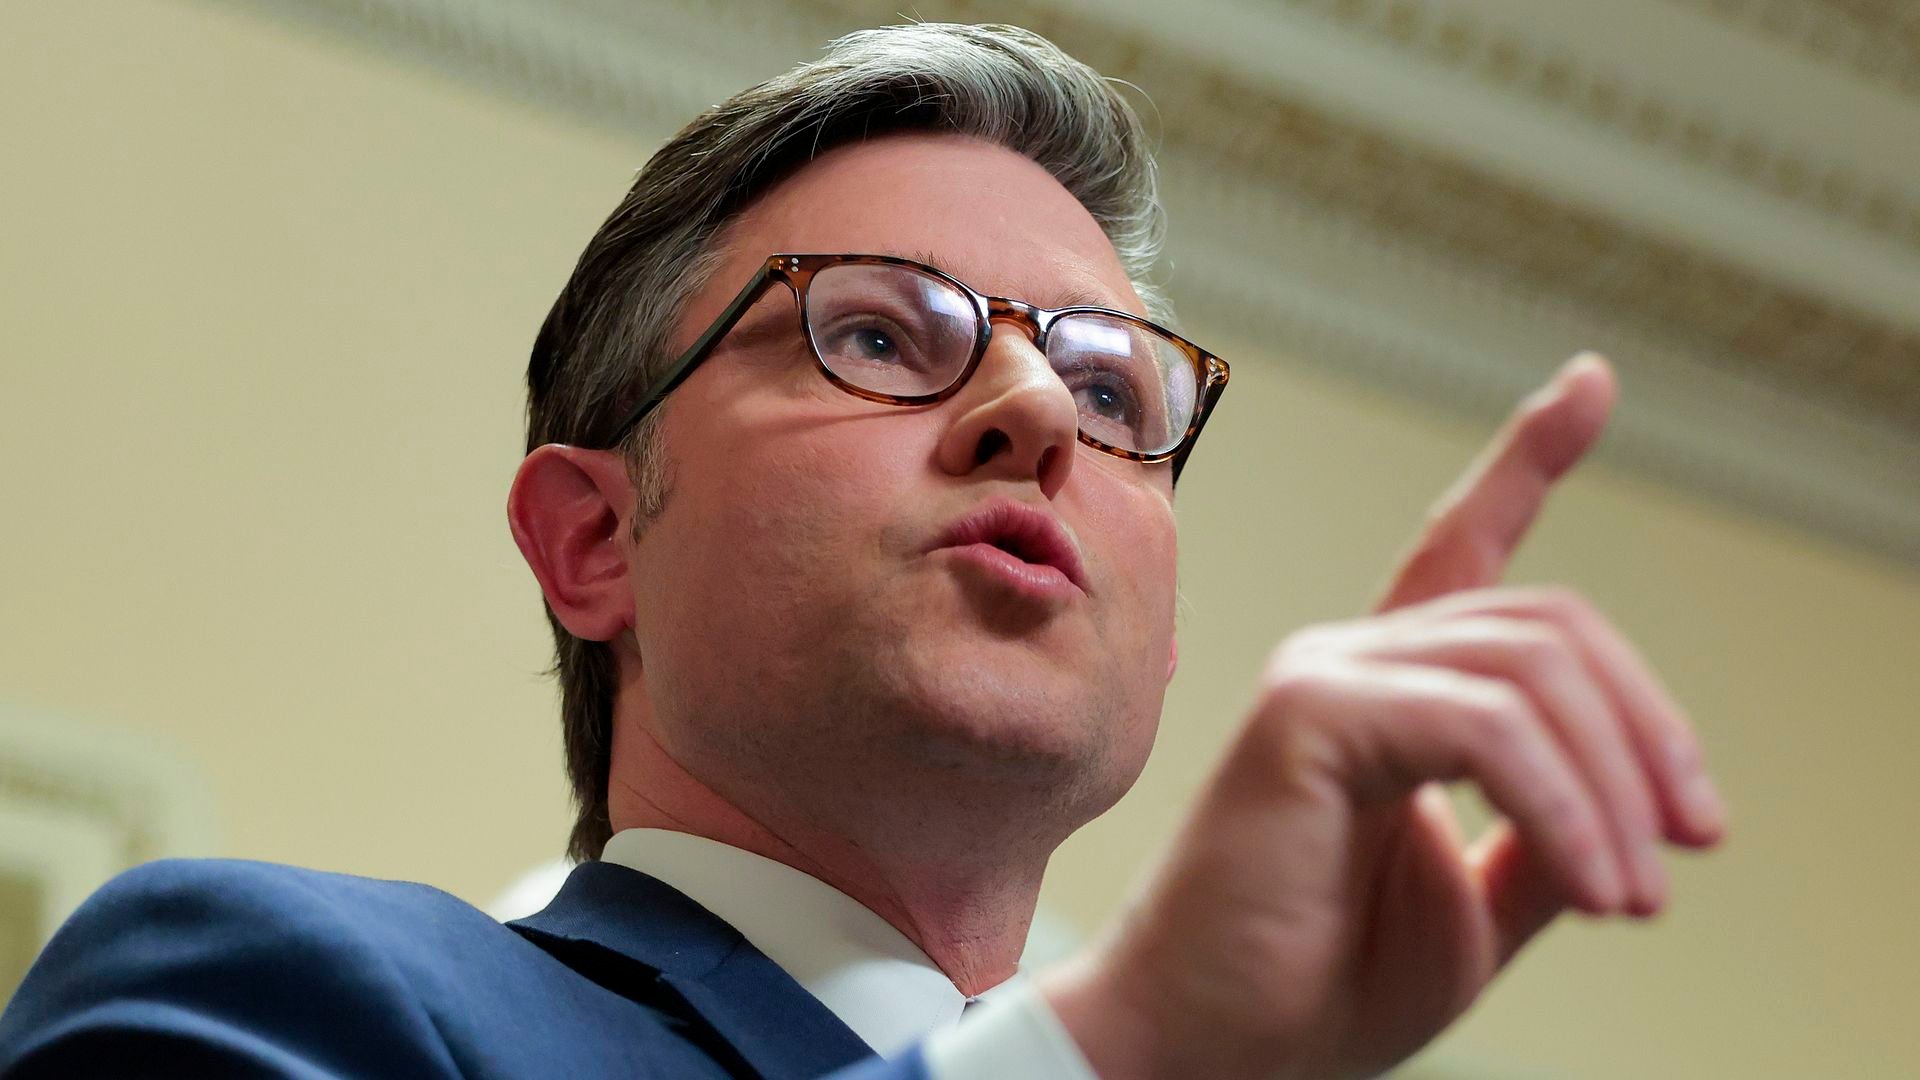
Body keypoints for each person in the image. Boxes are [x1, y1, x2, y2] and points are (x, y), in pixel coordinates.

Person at [0, 22, 1726, 1079]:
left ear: (1169, 631)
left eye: (1113, 385)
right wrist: (1117, 1053)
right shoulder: (288, 992)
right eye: (884, 336)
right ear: (594, 539)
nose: (1039, 414)